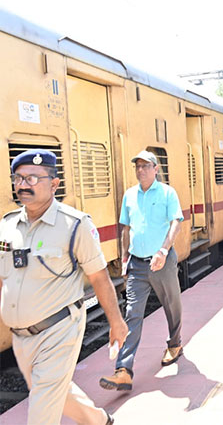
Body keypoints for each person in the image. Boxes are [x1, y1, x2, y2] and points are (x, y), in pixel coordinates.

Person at [0, 149, 127, 425]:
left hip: (59, 329)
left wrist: (116, 322)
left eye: (33, 178)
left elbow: (99, 276)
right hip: (21, 337)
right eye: (19, 178)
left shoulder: (74, 225)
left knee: (41, 410)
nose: (23, 185)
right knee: (53, 390)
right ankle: (100, 421)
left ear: (54, 184)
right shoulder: (7, 226)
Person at [100, 150, 184, 391]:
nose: (141, 170)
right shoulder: (129, 195)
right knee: (132, 314)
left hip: (163, 261)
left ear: (156, 169)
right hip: (137, 264)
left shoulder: (168, 193)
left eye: (146, 166)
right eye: (137, 166)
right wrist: (125, 256)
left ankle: (175, 343)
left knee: (172, 305)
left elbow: (175, 223)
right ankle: (123, 370)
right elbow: (126, 228)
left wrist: (164, 251)